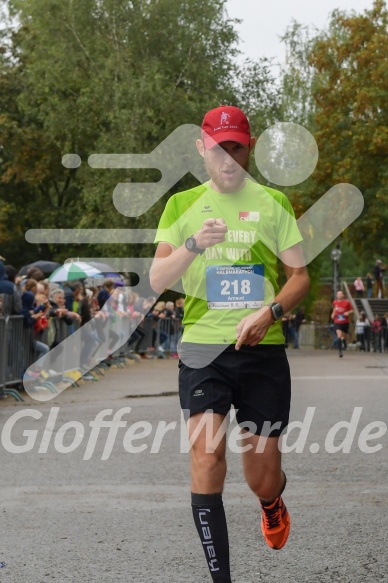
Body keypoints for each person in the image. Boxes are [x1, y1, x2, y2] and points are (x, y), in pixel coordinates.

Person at [150, 105, 310, 583]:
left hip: (262, 351)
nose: (228, 159)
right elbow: (157, 279)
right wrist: (194, 244)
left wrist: (270, 311)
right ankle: (222, 578)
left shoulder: (274, 203)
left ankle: (272, 501)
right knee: (207, 455)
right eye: (218, 149)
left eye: (236, 148)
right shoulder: (181, 207)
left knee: (259, 472)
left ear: (249, 147)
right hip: (203, 350)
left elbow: (299, 278)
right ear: (202, 149)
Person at [331, 290, 353, 358]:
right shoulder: (335, 302)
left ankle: (344, 341)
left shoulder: (347, 302)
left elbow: (352, 310)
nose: (339, 295)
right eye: (338, 294)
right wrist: (333, 314)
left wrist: (348, 313)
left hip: (345, 322)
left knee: (345, 336)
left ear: (343, 295)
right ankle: (340, 351)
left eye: (341, 294)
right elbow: (334, 310)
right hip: (337, 322)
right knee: (339, 336)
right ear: (337, 295)